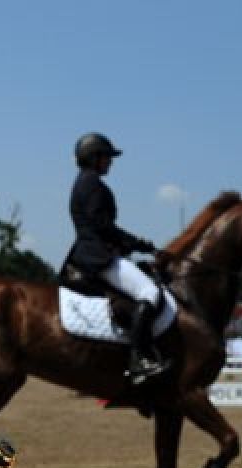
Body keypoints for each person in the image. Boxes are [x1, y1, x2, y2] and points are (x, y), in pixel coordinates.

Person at [65, 132, 171, 385]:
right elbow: (102, 227)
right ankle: (139, 358)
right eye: (106, 157)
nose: (110, 162)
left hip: (93, 253)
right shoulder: (92, 184)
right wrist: (139, 243)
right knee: (150, 292)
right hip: (97, 257)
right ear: (94, 158)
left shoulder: (84, 182)